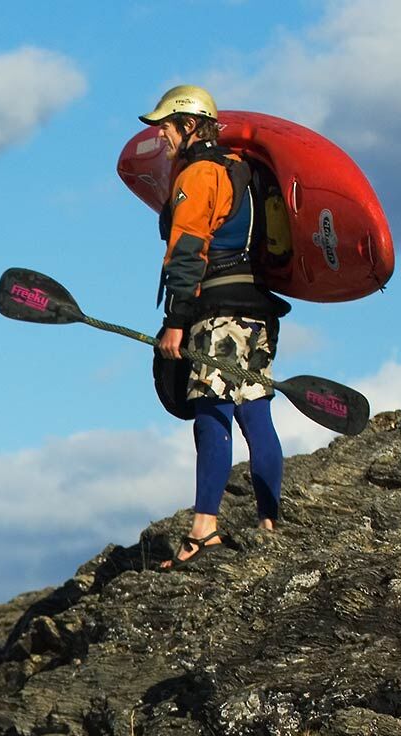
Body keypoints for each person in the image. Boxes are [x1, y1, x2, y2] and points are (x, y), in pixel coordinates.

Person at [140, 84, 292, 566]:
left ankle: (204, 529)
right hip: (258, 310)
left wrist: (176, 322)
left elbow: (187, 250)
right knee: (254, 410)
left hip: (218, 310)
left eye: (166, 125)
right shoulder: (243, 171)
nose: (161, 135)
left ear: (188, 126)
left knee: (211, 409)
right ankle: (268, 522)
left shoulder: (200, 174)